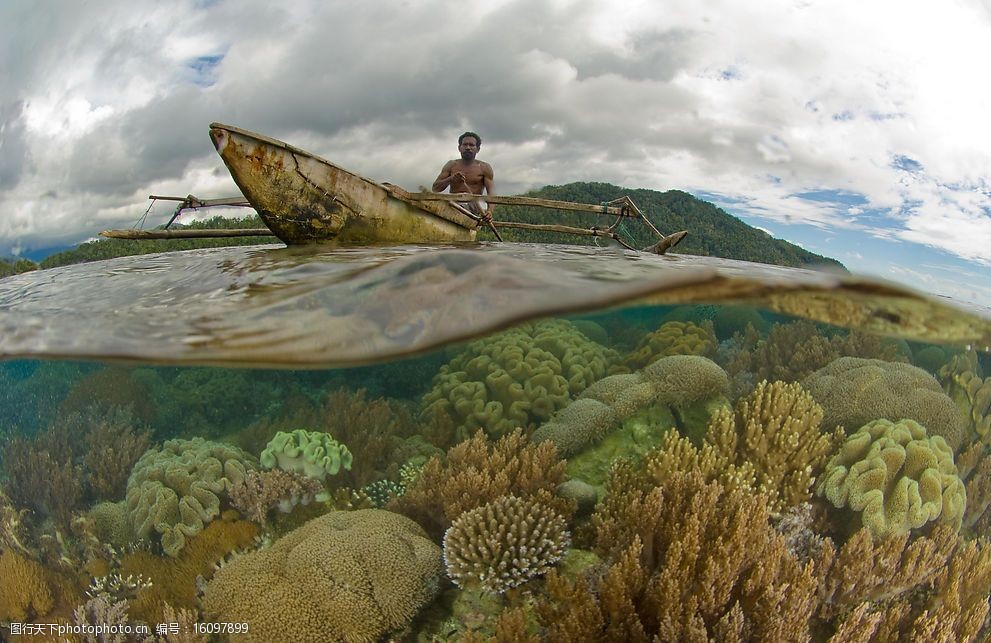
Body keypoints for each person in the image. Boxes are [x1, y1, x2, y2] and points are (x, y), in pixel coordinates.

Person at [432, 131, 495, 223]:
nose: (468, 148)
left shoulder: (484, 167)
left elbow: (491, 194)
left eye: (471, 145)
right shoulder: (451, 165)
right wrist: (451, 179)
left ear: (478, 149)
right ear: (459, 148)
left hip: (472, 205)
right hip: (453, 203)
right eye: (465, 145)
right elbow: (435, 188)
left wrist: (489, 211)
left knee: (458, 208)